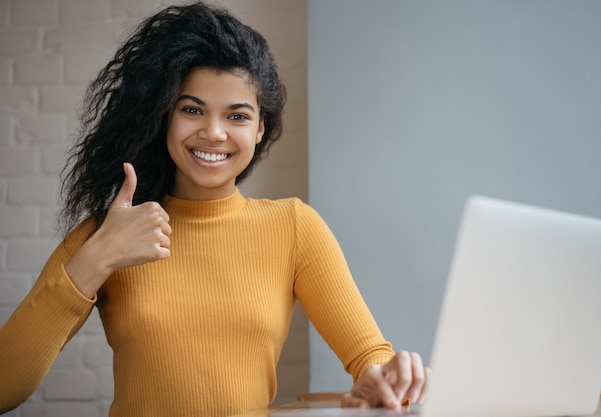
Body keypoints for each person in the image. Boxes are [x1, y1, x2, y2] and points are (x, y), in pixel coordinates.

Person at [0, 2, 428, 416]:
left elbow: (370, 359)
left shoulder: (293, 227)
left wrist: (386, 383)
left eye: (237, 116)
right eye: (192, 110)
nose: (213, 132)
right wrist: (98, 256)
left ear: (260, 128)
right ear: (163, 117)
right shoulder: (112, 231)